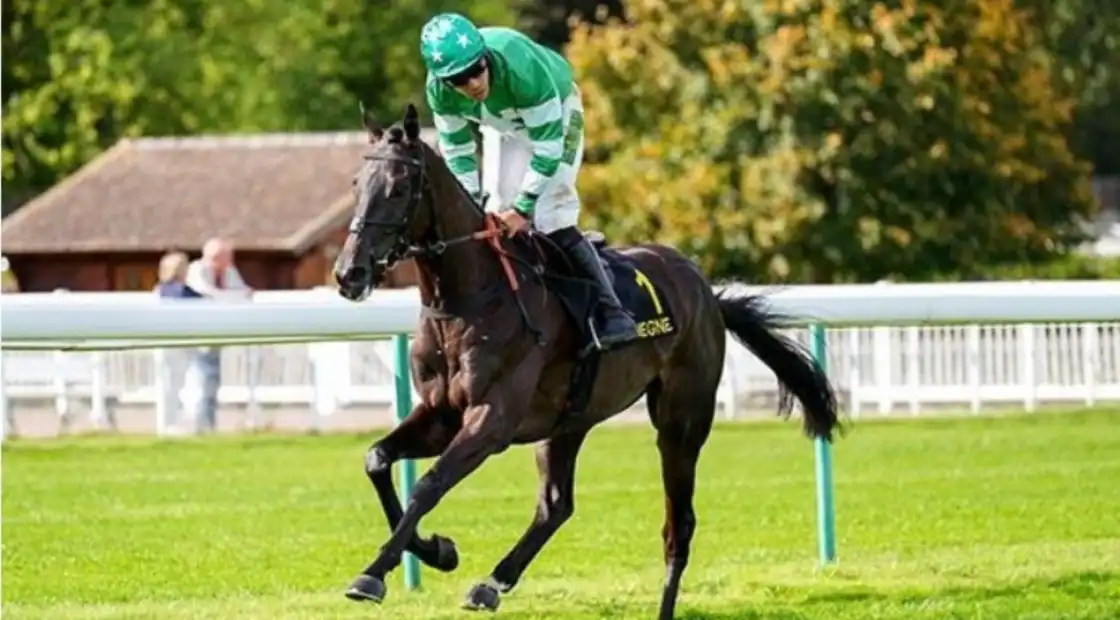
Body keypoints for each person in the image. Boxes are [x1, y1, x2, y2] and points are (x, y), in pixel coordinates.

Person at [420, 12, 639, 350]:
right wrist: (470, 201)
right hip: (504, 126)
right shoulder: (439, 92)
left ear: (485, 57)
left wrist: (524, 208)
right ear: (443, 81)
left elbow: (548, 149)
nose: (473, 84)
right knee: (493, 210)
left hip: (557, 115)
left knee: (550, 210)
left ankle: (612, 311)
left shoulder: (520, 68)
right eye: (459, 80)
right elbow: (459, 153)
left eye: (477, 70)